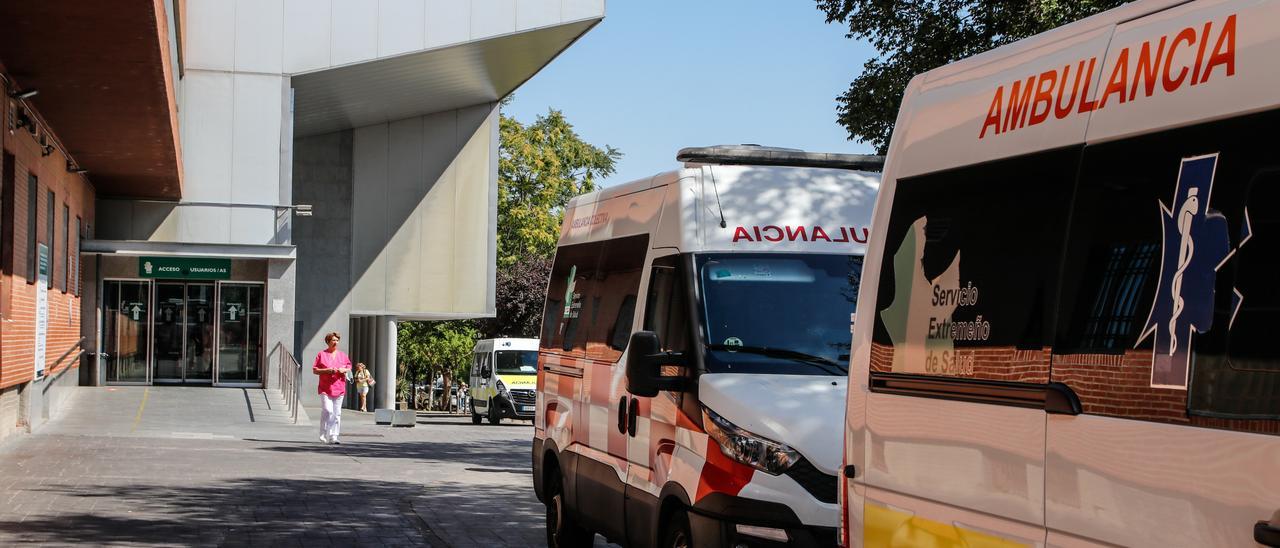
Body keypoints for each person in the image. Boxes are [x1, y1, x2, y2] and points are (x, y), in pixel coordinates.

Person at [313, 331, 351, 444]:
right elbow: (315, 370)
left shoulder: (343, 355)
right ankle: (323, 434)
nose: (335, 342)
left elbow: (349, 367)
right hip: (325, 387)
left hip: (339, 387)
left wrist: (344, 370)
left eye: (337, 340)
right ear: (328, 342)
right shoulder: (321, 354)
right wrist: (327, 370)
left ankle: (334, 436)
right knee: (327, 410)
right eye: (333, 340)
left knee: (337, 413)